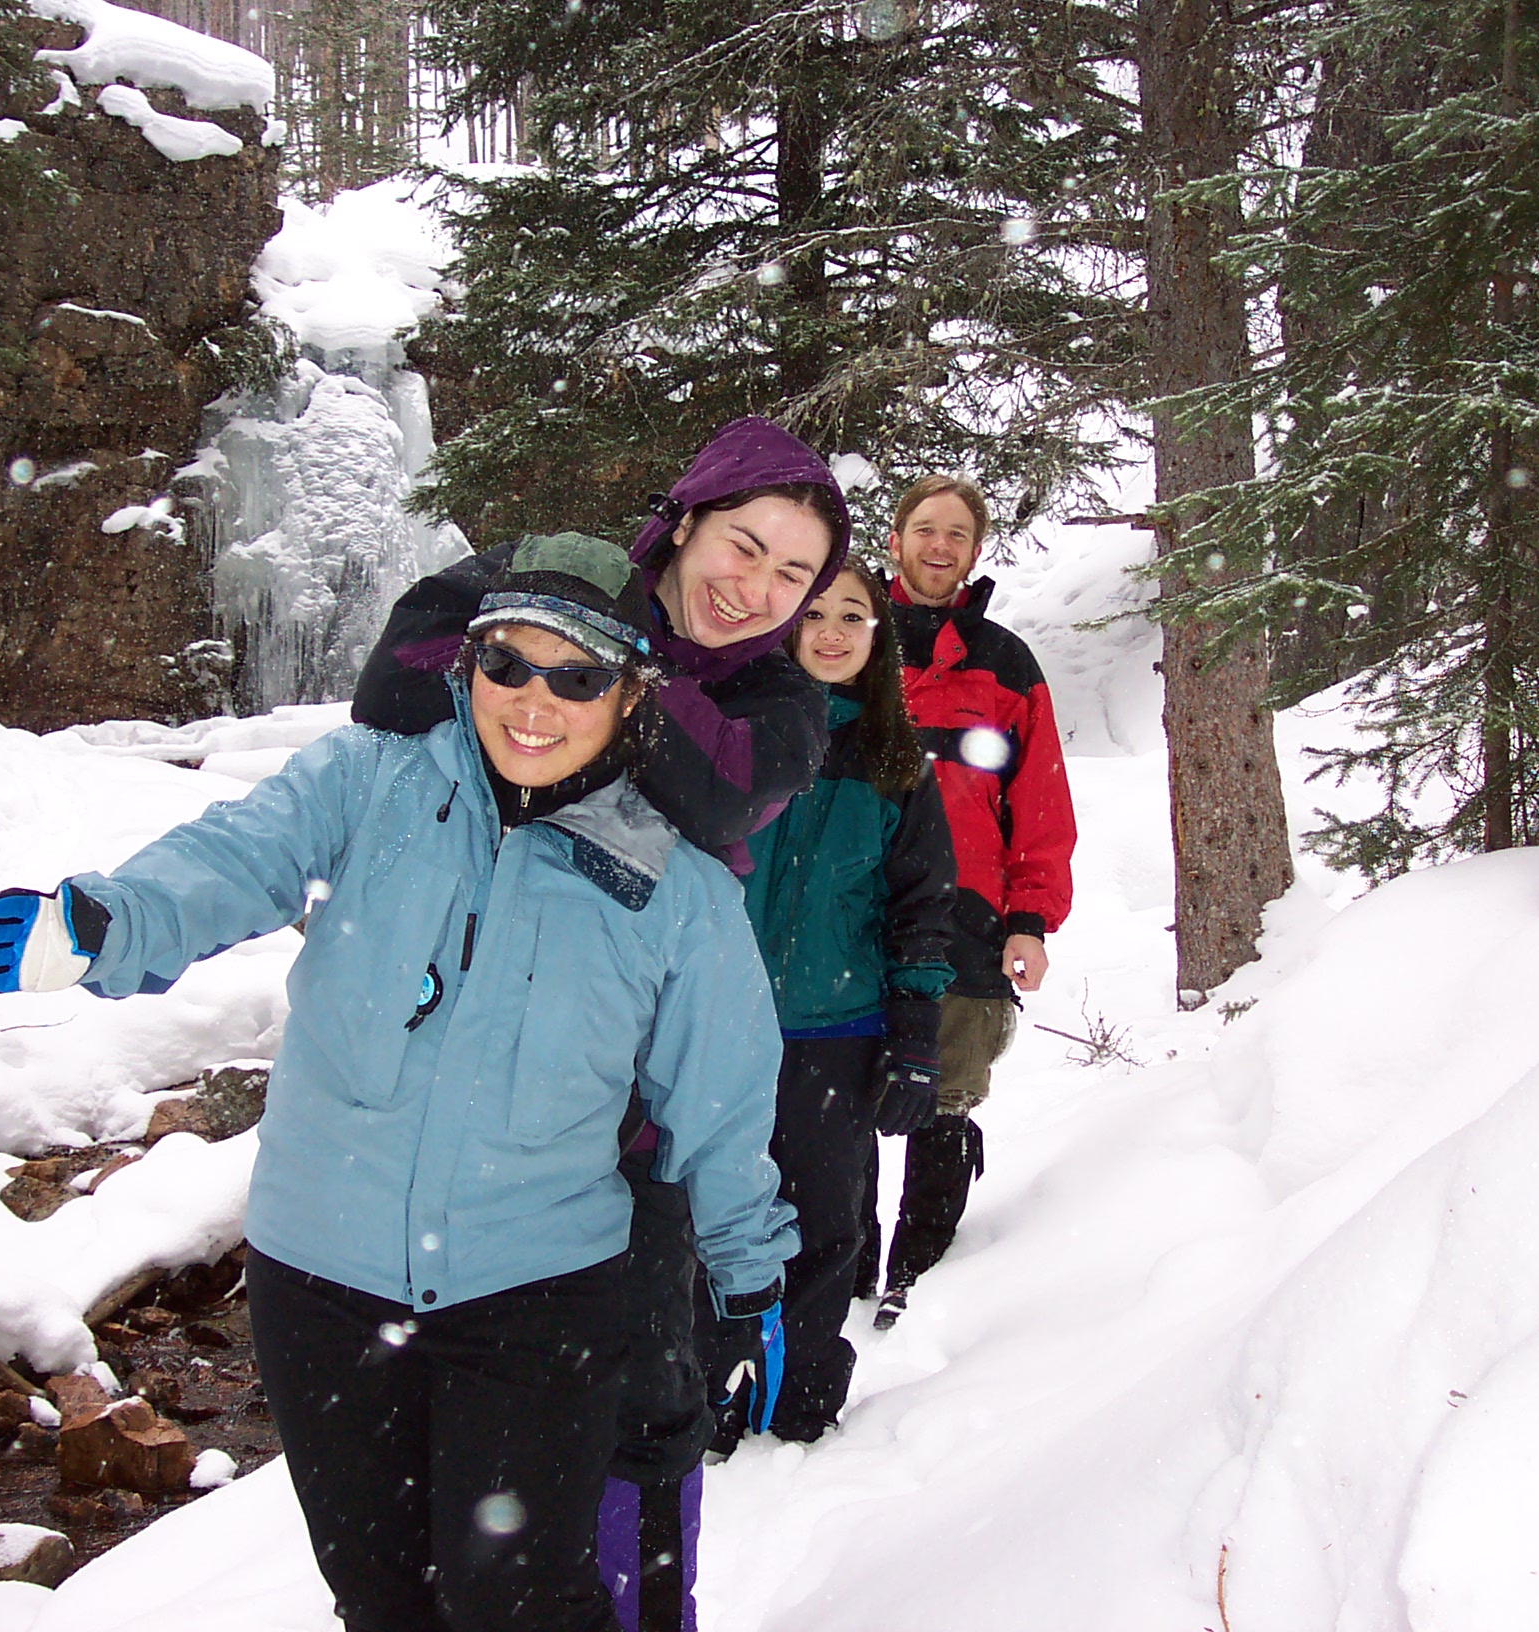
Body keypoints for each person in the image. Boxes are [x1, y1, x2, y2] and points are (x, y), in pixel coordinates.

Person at [0, 533, 798, 1632]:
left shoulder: (672, 889)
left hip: (539, 1296)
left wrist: (747, 1275)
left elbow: (721, 1107)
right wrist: (108, 922)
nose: (534, 702)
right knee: (382, 1597)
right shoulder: (367, 782)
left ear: (632, 692)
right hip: (322, 1284)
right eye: (508, 665)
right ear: (467, 666)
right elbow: (236, 857)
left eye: (577, 675)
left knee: (522, 1599)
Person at [353, 418, 851, 1632]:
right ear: (684, 518)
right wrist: (558, 622)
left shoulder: (783, 696)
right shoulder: (546, 566)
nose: (760, 591)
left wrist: (571, 647)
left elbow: (723, 785)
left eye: (795, 576)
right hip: (446, 1104)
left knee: (637, 1422)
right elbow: (396, 683)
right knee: (416, 1463)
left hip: (625, 1133)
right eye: (745, 546)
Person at [722, 563, 956, 1444]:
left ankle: (800, 1403)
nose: (829, 631)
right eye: (813, 612)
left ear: (875, 635)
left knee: (823, 1228)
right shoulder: (734, 733)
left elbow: (922, 910)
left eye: (851, 616)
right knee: (713, 1219)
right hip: (720, 1029)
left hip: (838, 1034)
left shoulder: (896, 764)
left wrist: (917, 1041)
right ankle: (711, 1394)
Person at [859, 475, 1076, 1330]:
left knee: (943, 1095)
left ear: (975, 552)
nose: (939, 545)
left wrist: (1030, 918)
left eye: (957, 533)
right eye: (924, 529)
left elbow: (1042, 802)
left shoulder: (1006, 663)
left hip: (969, 914)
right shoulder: (846, 636)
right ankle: (842, 1266)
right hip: (856, 905)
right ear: (896, 542)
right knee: (839, 1092)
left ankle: (921, 1267)